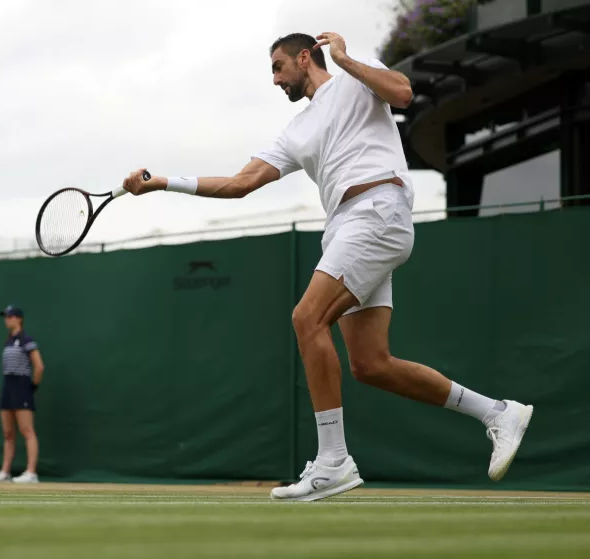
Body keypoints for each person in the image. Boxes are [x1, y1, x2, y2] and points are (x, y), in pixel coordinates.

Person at [120, 32, 533, 502]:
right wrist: (162, 183)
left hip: (377, 210)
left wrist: (344, 58)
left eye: (278, 67)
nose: (275, 79)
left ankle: (334, 461)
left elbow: (402, 93)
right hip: (347, 227)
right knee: (371, 365)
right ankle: (498, 413)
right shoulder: (296, 130)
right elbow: (240, 183)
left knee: (306, 317)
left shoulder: (356, 77)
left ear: (303, 57)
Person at [0, 305, 45, 484]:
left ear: (19, 319)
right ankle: (5, 472)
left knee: (27, 431)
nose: (7, 320)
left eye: (10, 316)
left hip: (22, 386)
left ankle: (31, 473)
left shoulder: (27, 339)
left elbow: (39, 367)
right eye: (5, 317)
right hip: (8, 386)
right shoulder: (8, 341)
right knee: (8, 433)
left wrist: (31, 387)